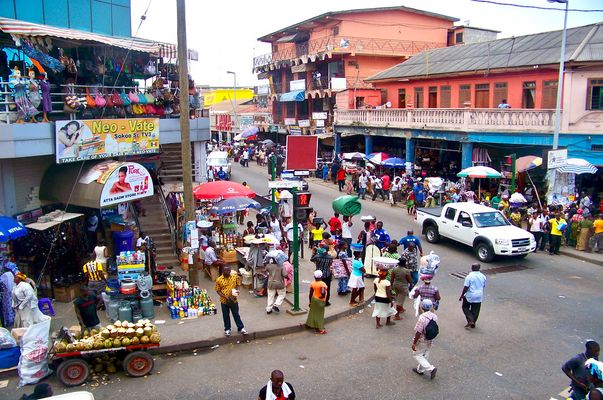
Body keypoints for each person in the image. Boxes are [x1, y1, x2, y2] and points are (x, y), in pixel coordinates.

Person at [214, 265, 248, 336]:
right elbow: (218, 290)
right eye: (226, 271)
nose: (228, 272)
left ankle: (241, 328)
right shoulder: (219, 280)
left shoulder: (234, 277)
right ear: (223, 271)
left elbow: (238, 285)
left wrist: (238, 291)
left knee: (236, 314)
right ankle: (227, 329)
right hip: (224, 301)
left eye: (229, 271)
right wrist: (225, 296)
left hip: (234, 300)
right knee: (226, 315)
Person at [411, 298, 438, 379]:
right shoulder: (434, 316)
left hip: (422, 339)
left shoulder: (422, 317)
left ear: (422, 307)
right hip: (430, 338)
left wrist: (414, 343)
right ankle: (420, 370)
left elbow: (418, 332)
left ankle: (431, 368)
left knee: (416, 355)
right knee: (425, 354)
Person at [459, 263, 487, 329]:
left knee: (465, 307)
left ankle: (470, 320)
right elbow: (483, 286)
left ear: (472, 268)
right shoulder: (483, 276)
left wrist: (462, 295)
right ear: (479, 268)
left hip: (470, 295)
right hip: (479, 295)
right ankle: (473, 323)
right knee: (476, 310)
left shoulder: (469, 276)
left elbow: (466, 287)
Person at [306, 270, 328, 334]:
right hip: (320, 301)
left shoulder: (313, 283)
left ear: (314, 277)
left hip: (313, 299)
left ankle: (310, 324)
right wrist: (322, 296)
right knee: (319, 314)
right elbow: (323, 292)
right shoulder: (322, 284)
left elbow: (310, 293)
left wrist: (310, 302)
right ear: (321, 276)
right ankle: (319, 329)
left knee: (313, 312)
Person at [0, 261, 16, 328]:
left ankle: (8, 322)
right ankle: (13, 321)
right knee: (12, 307)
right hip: (13, 293)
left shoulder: (5, 275)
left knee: (7, 308)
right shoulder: (12, 274)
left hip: (6, 295)